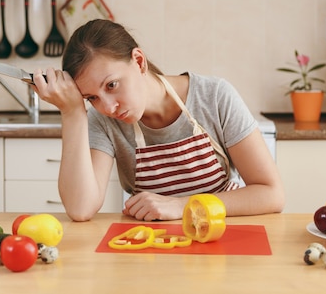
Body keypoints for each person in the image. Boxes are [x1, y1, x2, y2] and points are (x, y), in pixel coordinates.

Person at [33, 19, 285, 222]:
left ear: (139, 61)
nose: (108, 107)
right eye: (92, 98)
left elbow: (271, 194)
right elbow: (80, 209)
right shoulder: (103, 121)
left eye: (112, 84)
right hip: (150, 247)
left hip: (218, 236)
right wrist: (73, 113)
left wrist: (181, 206)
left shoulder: (214, 96)